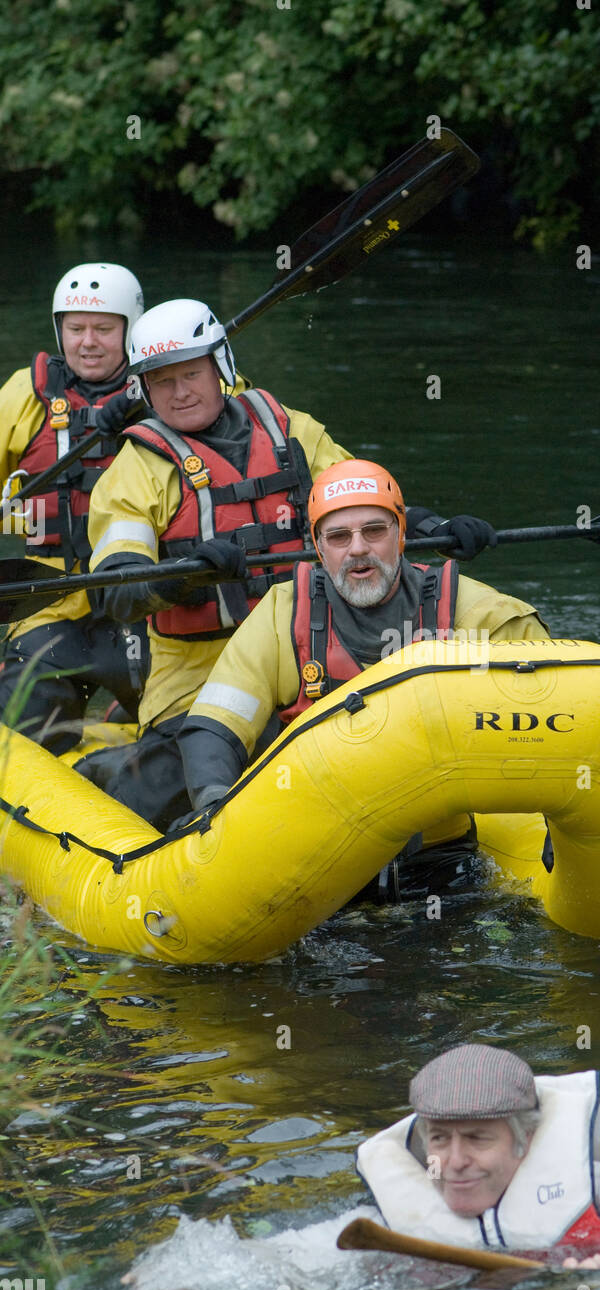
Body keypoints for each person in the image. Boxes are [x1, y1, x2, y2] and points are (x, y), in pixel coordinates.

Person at [84, 302, 497, 829]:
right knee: (174, 786)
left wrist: (432, 529)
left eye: (191, 373)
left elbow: (364, 507)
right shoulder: (135, 472)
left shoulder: (293, 432)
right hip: (198, 685)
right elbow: (118, 589)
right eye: (162, 382)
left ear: (222, 367)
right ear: (143, 389)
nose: (180, 392)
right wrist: (187, 573)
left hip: (315, 660)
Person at [177, 458, 548, 889]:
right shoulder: (281, 615)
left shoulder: (478, 611)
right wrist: (214, 802)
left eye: (374, 530)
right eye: (338, 536)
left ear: (401, 534)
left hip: (440, 859)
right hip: (318, 851)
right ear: (319, 547)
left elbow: (558, 715)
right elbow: (214, 728)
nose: (357, 549)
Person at [356, 1044, 600, 1274]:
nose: (455, 1161)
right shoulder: (384, 1223)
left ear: (525, 1139)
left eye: (478, 1139)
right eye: (440, 1139)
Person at [0, 262, 149, 751]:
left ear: (131, 328)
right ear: (58, 328)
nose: (88, 341)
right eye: (75, 328)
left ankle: (123, 718)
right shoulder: (25, 396)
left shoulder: (171, 388)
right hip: (48, 599)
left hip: (145, 601)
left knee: (183, 721)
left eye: (104, 329)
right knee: (17, 723)